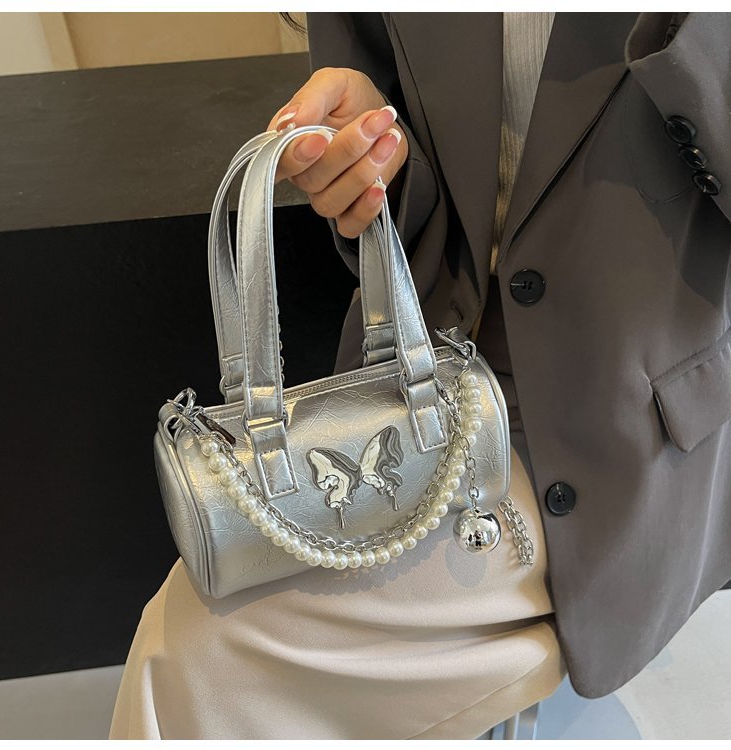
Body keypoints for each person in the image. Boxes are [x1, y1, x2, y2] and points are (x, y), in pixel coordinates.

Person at [109, 12, 731, 738]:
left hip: (628, 411)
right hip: (426, 382)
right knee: (187, 644)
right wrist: (376, 162)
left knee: (198, 658)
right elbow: (404, 196)